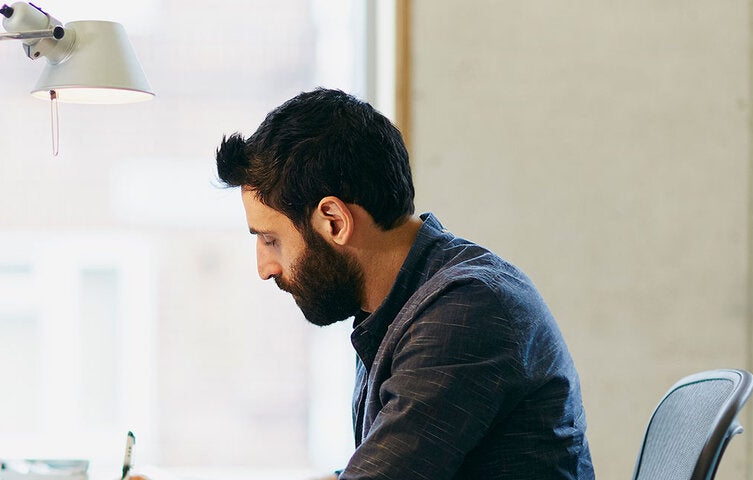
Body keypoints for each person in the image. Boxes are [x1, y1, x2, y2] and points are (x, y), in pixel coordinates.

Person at [215, 88, 594, 479]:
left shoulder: (466, 310)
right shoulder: (399, 306)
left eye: (270, 240)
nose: (264, 267)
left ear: (334, 221)